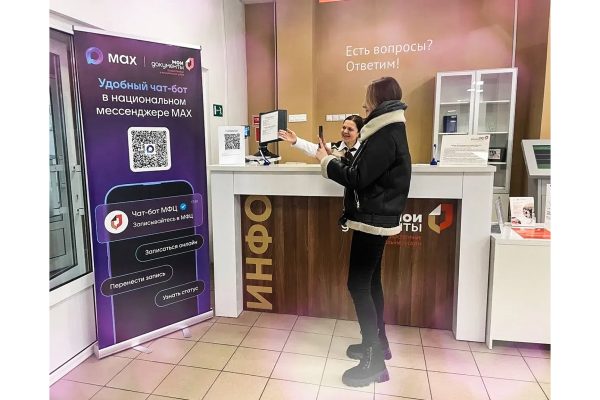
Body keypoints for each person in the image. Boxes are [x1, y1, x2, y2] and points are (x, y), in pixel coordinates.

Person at [315, 77, 412, 387]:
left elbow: (357, 178)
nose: (364, 106)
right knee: (369, 283)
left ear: (379, 102)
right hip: (373, 217)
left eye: (368, 100)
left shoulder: (385, 133)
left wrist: (326, 162)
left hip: (372, 220)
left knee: (358, 285)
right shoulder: (387, 130)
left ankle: (374, 363)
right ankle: (378, 345)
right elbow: (365, 171)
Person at [278, 115, 364, 163]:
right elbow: (312, 148)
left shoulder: (364, 150)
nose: (345, 131)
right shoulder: (332, 147)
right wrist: (296, 140)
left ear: (359, 132)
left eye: (350, 129)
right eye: (344, 127)